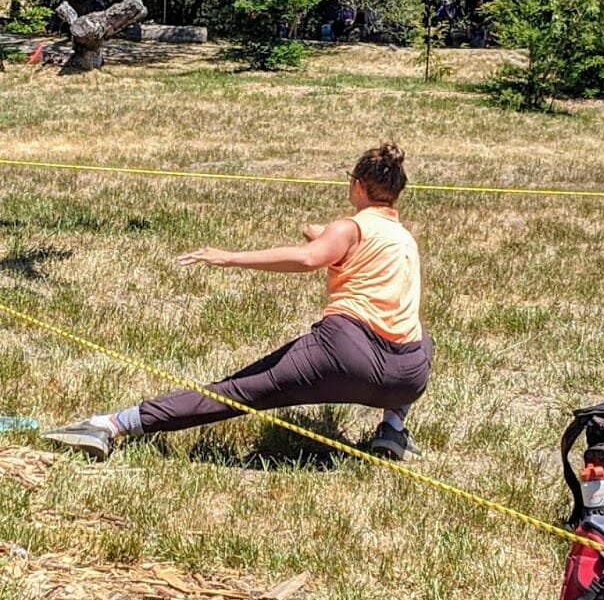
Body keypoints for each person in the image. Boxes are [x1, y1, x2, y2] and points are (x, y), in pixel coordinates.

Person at [43, 143, 432, 463]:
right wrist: (322, 235)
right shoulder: (403, 239)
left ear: (359, 185)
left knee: (234, 392)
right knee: (420, 333)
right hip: (408, 377)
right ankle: (393, 429)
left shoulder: (351, 226)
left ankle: (111, 425)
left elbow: (310, 259)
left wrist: (229, 256)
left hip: (345, 354)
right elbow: (336, 248)